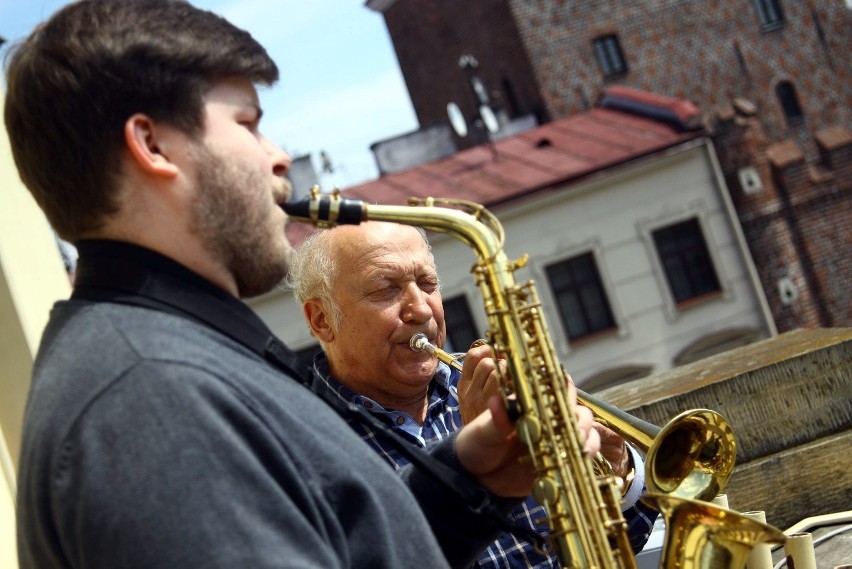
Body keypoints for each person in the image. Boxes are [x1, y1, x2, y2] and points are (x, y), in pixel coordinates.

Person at [4, 1, 603, 567]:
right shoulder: (147, 398)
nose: (281, 157)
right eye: (248, 123)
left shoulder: (155, 355)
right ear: (152, 144)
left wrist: (472, 481)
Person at [288, 221, 660, 568]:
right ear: (322, 319)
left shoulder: (495, 378)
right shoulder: (302, 445)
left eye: (428, 283)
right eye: (386, 288)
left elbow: (618, 544)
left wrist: (617, 470)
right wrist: (473, 458)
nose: (421, 309)